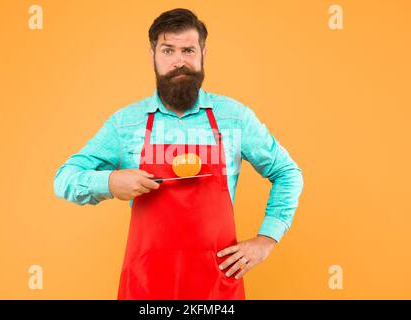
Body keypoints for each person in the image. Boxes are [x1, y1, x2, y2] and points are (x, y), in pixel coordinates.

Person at [54, 8, 304, 300]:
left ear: (203, 54)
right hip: (146, 287)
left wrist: (267, 238)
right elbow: (64, 180)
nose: (179, 61)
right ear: (153, 57)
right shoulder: (126, 123)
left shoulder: (234, 117)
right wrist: (109, 183)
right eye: (168, 50)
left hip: (215, 286)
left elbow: (287, 173)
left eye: (188, 50)